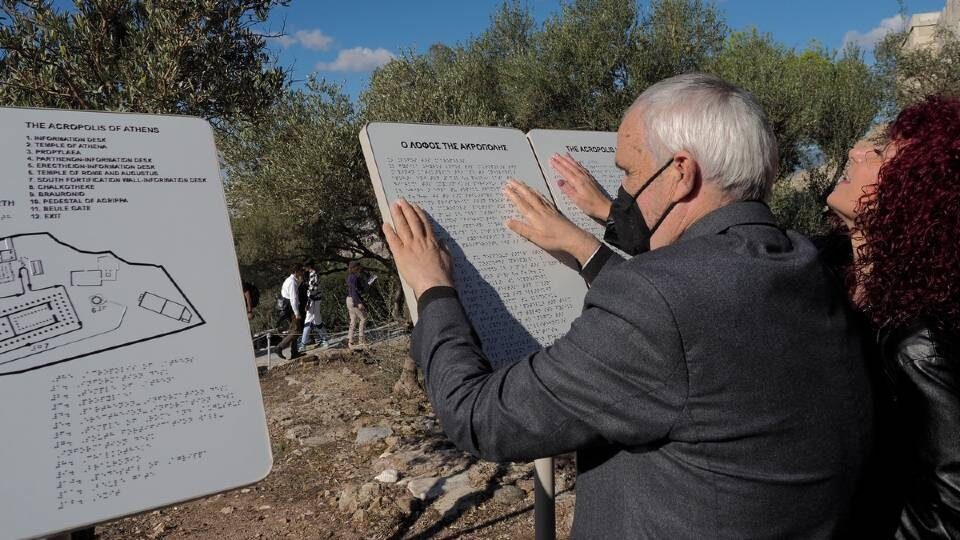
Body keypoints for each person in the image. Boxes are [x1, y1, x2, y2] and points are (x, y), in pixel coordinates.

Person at [381, 73, 873, 537]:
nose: (622, 192)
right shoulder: (803, 261)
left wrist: (434, 289)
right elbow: (693, 326)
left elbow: (479, 416)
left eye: (628, 171)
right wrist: (584, 248)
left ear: (681, 173)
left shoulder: (661, 302)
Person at [825, 95, 959, 539]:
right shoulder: (828, 274)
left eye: (879, 153)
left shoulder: (922, 346)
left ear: (913, 194)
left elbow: (949, 511)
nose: (855, 152)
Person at [276, 264, 305, 360]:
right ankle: (280, 347)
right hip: (292, 308)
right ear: (296, 272)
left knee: (293, 329)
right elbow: (293, 299)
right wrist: (297, 313)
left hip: (288, 307)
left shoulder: (290, 280)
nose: (302, 272)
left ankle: (294, 352)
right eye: (301, 271)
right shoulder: (292, 282)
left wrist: (300, 281)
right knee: (296, 331)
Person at [299, 261, 329, 349]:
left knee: (308, 321)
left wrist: (307, 303)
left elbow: (312, 291)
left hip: (313, 301)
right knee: (317, 321)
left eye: (305, 267)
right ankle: (324, 340)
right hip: (315, 300)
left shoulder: (313, 275)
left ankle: (303, 344)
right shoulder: (314, 274)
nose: (304, 269)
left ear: (308, 266)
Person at [345, 260, 368, 348]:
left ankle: (350, 341)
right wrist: (358, 303)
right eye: (358, 267)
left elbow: (357, 289)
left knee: (353, 320)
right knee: (363, 318)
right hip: (353, 300)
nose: (359, 268)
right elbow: (353, 291)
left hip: (349, 300)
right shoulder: (353, 277)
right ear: (354, 268)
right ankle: (361, 340)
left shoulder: (350, 276)